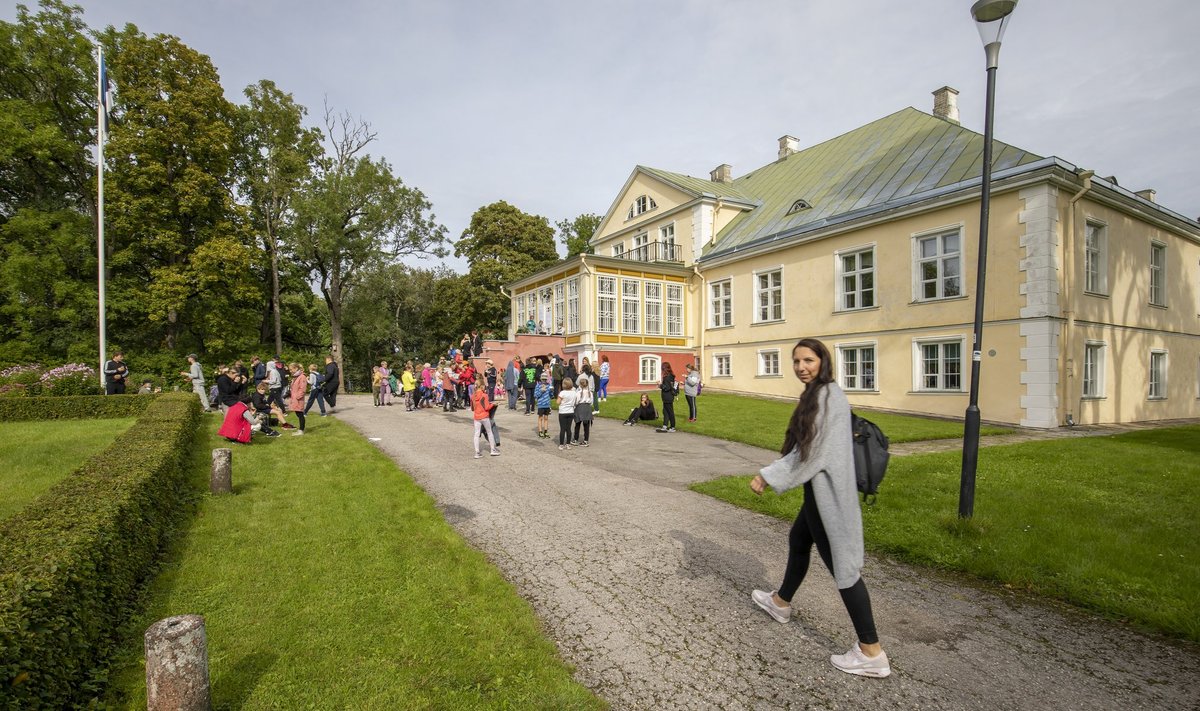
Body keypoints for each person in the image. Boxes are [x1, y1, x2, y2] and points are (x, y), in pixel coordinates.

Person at [749, 338, 890, 678]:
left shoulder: (828, 396)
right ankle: (781, 602)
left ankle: (871, 651)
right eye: (796, 361)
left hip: (828, 493)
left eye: (808, 360)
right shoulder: (819, 393)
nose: (801, 367)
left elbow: (812, 453)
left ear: (822, 361)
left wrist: (767, 476)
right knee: (799, 541)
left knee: (843, 568)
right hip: (819, 491)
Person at [471, 373, 499, 458]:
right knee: (489, 432)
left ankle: (477, 452)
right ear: (482, 386)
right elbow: (487, 407)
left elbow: (472, 408)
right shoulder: (484, 395)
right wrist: (493, 405)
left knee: (476, 434)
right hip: (484, 416)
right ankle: (493, 450)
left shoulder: (473, 396)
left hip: (476, 417)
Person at [556, 377, 578, 450]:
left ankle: (561, 444)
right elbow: (575, 402)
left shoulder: (562, 393)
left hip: (563, 412)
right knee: (568, 428)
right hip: (571, 411)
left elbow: (558, 402)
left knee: (562, 428)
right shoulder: (574, 393)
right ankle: (568, 444)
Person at [656, 362, 678, 433]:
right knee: (665, 411)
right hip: (668, 397)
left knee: (670, 412)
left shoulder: (667, 377)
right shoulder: (670, 376)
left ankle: (672, 427)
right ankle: (665, 426)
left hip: (667, 397)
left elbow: (667, 387)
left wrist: (660, 385)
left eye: (662, 368)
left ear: (664, 368)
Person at [572, 375, 593, 446]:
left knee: (577, 424)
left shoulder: (578, 393)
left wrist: (574, 407)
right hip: (587, 408)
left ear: (580, 385)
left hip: (580, 408)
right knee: (586, 426)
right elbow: (591, 402)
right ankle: (586, 440)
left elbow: (576, 402)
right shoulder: (590, 393)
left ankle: (575, 439)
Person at [288, 363, 308, 435]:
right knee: (298, 414)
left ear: (296, 368)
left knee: (300, 414)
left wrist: (297, 397)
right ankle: (300, 430)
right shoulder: (296, 377)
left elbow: (302, 389)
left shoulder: (302, 377)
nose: (290, 371)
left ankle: (301, 430)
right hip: (295, 399)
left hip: (298, 399)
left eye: (291, 369)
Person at [534, 372, 553, 438]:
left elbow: (551, 396)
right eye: (543, 379)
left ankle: (546, 431)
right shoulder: (538, 385)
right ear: (541, 379)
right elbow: (535, 395)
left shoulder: (548, 385)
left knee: (546, 418)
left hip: (547, 404)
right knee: (540, 418)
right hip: (541, 404)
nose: (544, 381)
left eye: (545, 379)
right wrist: (541, 391)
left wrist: (551, 391)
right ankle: (540, 431)